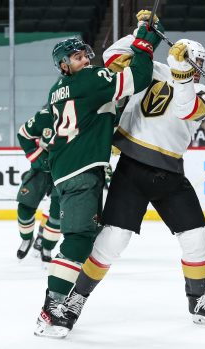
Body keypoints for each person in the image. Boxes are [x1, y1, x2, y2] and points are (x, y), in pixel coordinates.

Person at [54, 16, 205, 334]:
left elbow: (185, 109)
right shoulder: (152, 71)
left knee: (196, 238)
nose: (194, 63)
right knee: (112, 241)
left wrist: (182, 71)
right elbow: (113, 58)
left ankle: (198, 300)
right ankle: (75, 299)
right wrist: (139, 35)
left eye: (196, 59)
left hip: (171, 175)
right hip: (132, 168)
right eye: (188, 57)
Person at [33, 12, 163, 338]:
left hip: (68, 170)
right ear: (64, 65)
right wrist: (146, 43)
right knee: (77, 240)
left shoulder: (59, 89)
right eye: (77, 57)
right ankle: (50, 310)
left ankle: (55, 304)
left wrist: (136, 41)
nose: (85, 58)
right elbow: (140, 77)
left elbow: (106, 107)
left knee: (81, 237)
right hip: (81, 170)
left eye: (85, 54)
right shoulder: (90, 81)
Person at [15, 108, 61, 263]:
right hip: (41, 169)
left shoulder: (84, 114)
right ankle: (27, 238)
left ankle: (47, 246)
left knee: (57, 213)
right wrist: (38, 158)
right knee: (24, 205)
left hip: (64, 171)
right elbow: (23, 134)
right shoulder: (44, 116)